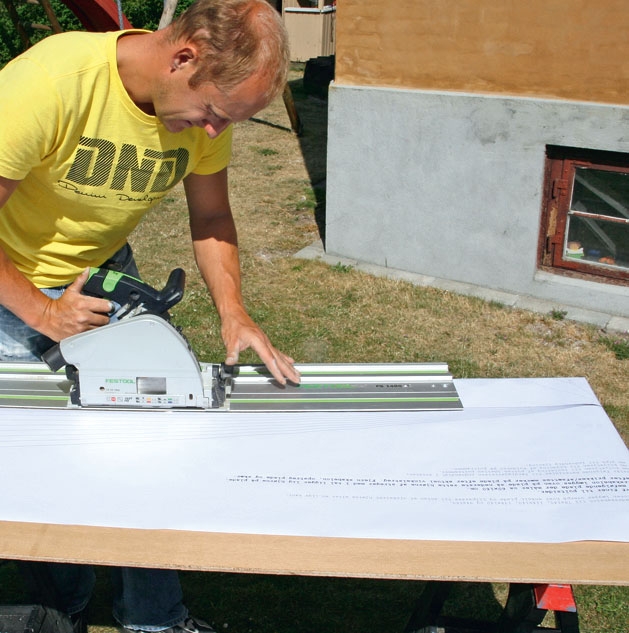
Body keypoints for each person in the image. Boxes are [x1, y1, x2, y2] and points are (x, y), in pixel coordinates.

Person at [0, 0, 300, 631]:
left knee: (153, 438)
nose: (213, 133)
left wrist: (234, 312)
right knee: (42, 457)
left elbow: (212, 216)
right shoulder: (51, 83)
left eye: (229, 120)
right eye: (214, 112)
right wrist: (44, 312)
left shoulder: (204, 111)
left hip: (102, 275)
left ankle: (153, 618)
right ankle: (65, 604)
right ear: (183, 57)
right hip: (12, 283)